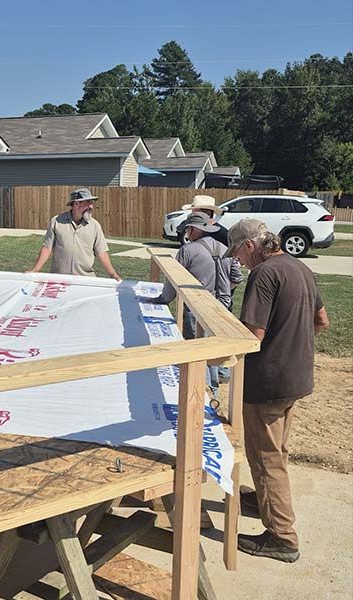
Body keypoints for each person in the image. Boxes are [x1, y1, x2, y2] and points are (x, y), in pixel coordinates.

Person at [226, 219, 329, 563]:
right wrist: (292, 346)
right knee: (277, 452)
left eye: (238, 253)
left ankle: (282, 536)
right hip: (295, 379)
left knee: (266, 457)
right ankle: (264, 498)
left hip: (267, 384)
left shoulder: (264, 274)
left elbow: (252, 335)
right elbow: (321, 321)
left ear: (250, 246)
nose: (238, 261)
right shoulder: (300, 267)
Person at [149, 212, 241, 400]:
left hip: (197, 307)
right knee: (217, 344)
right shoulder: (226, 249)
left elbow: (173, 283)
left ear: (193, 230)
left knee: (198, 348)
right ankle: (221, 376)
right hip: (223, 304)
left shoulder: (188, 251)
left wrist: (163, 300)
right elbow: (236, 278)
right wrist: (224, 292)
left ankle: (209, 392)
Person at [26, 188, 121, 280]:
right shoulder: (57, 221)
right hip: (59, 279)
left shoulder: (95, 226)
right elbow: (47, 248)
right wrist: (35, 270)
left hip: (85, 279)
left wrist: (113, 275)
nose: (91, 206)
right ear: (76, 204)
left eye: (91, 203)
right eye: (87, 202)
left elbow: (102, 253)